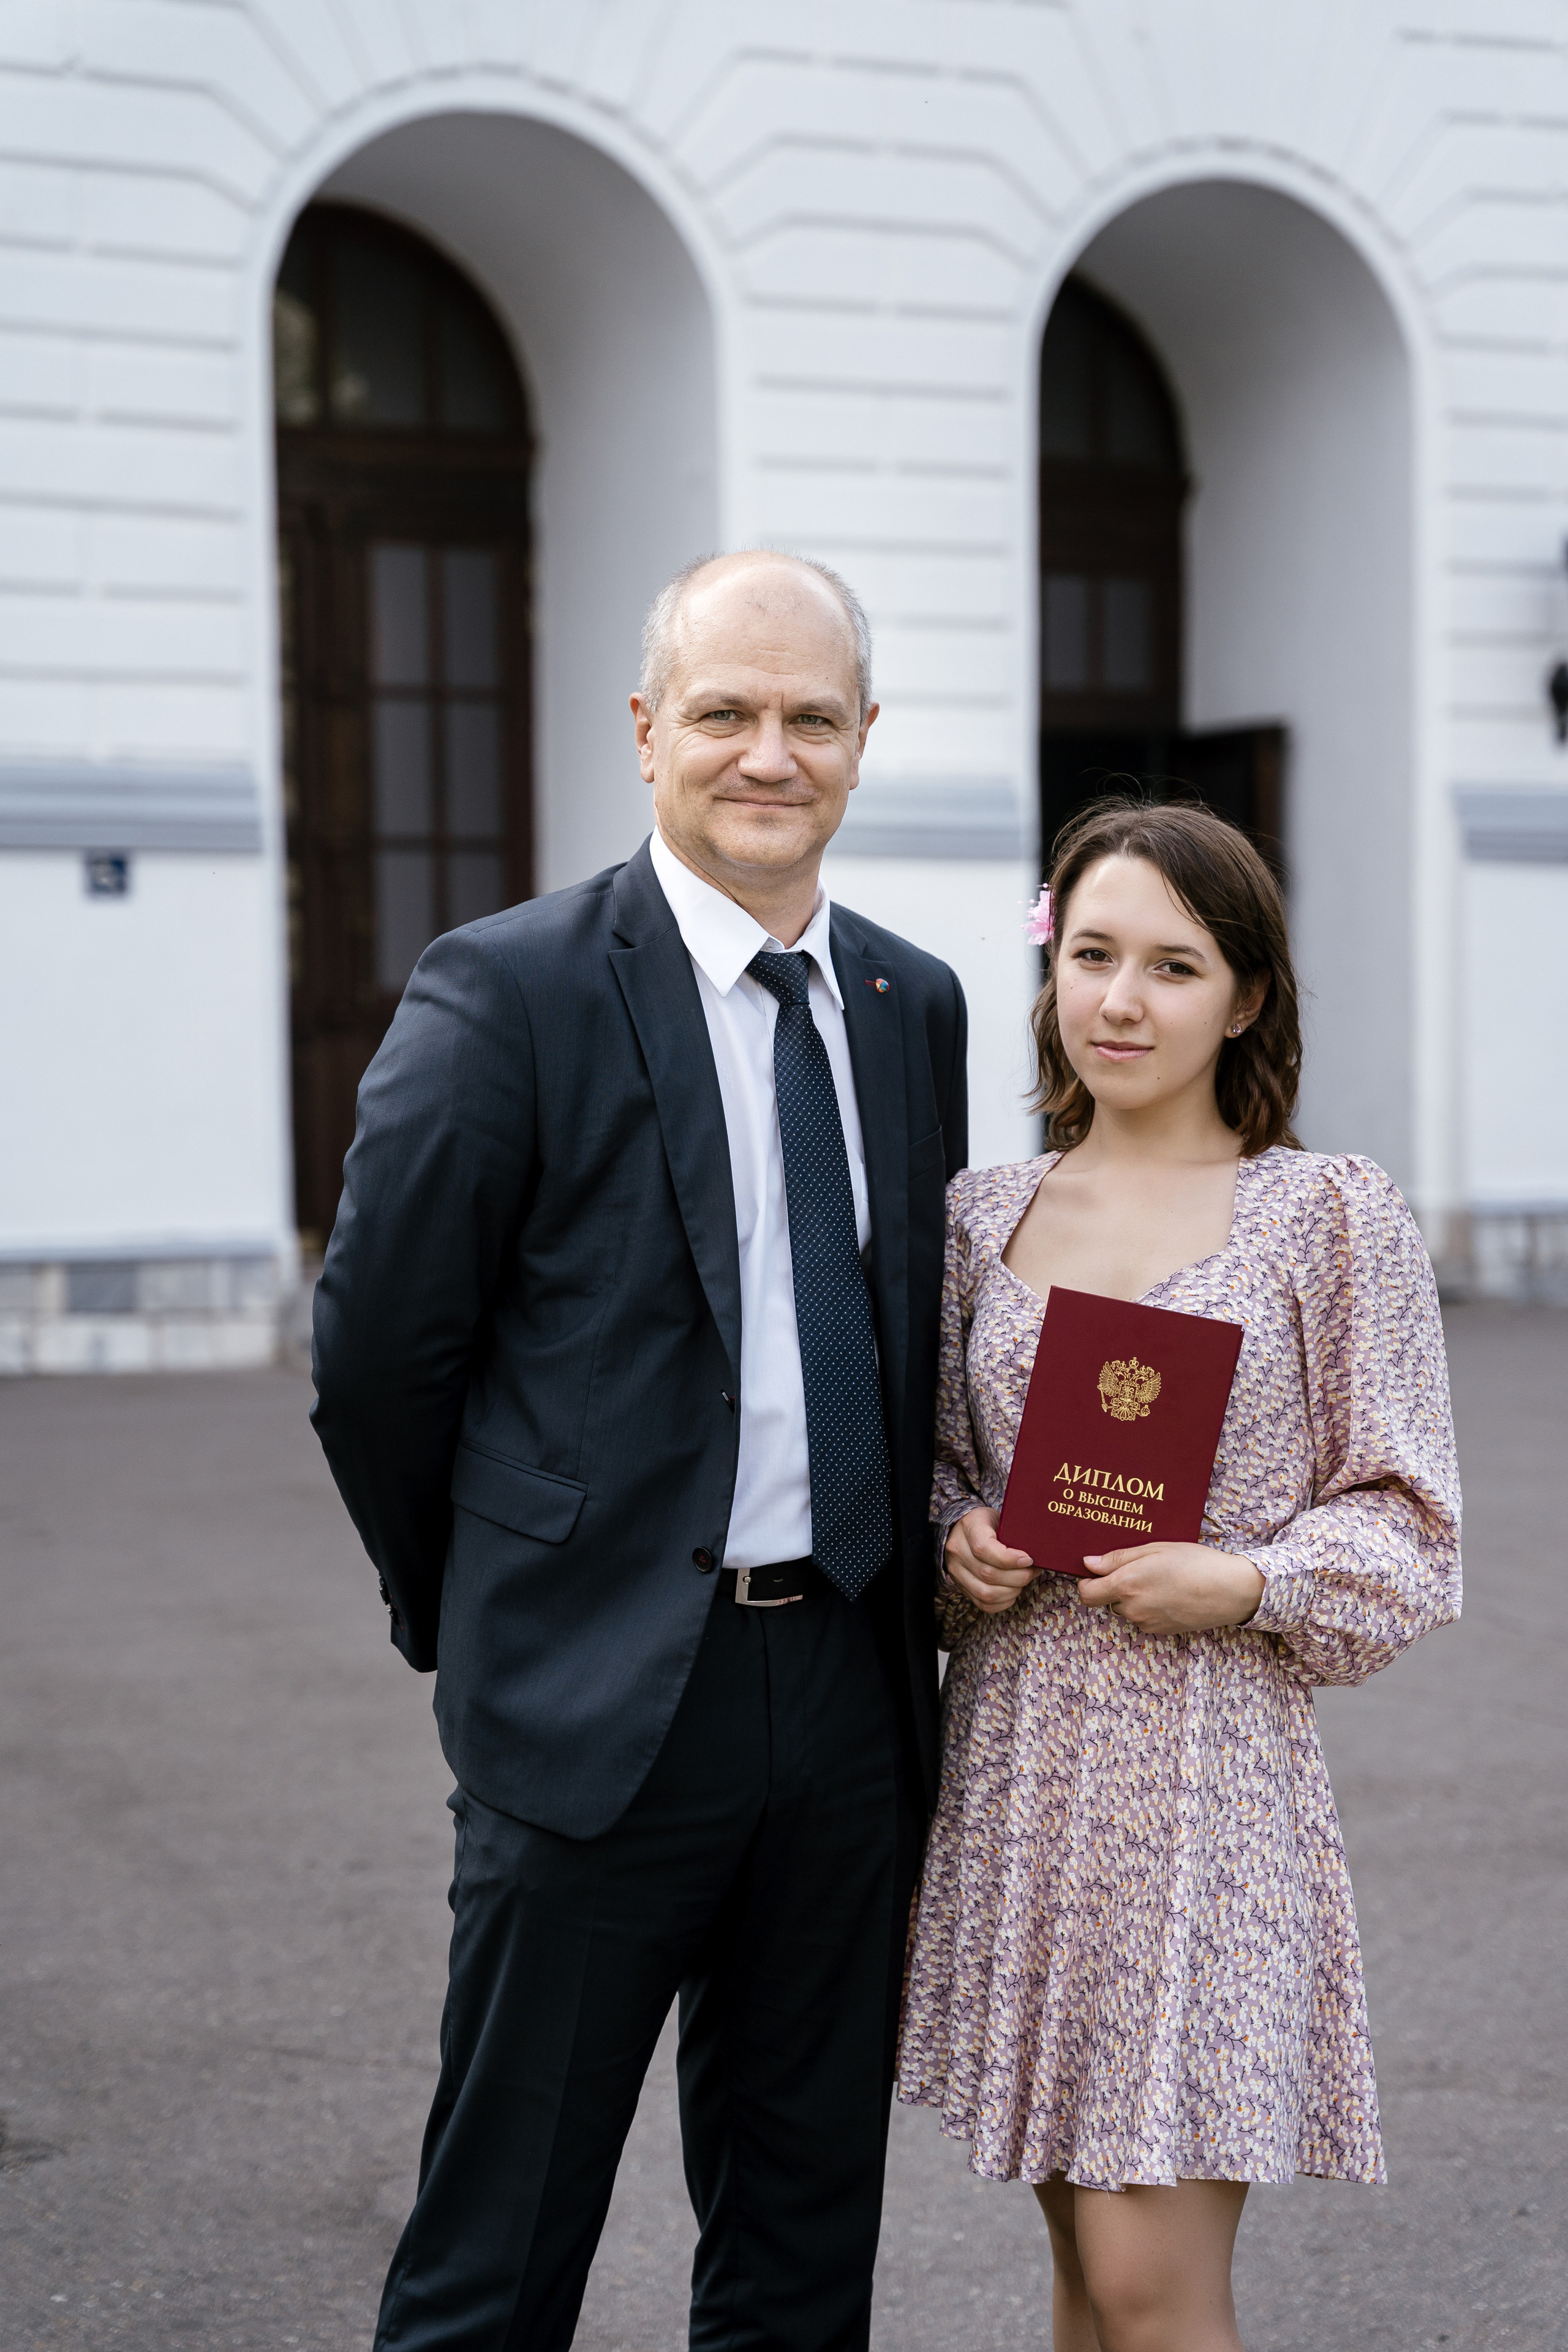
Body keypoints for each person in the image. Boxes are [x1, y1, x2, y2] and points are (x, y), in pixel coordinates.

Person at [311, 549, 968, 2351]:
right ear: (645, 730)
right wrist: (487, 1607)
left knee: (800, 2254)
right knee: (495, 2262)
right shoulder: (505, 988)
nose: (769, 753)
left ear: (864, 737)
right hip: (594, 1706)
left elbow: (911, 1331)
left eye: (810, 717)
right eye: (724, 712)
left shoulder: (913, 1004)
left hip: (847, 1704)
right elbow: (378, 1363)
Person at [896, 797, 1461, 2352]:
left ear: (1245, 996)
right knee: (1084, 2279)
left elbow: (1409, 1522)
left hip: (1208, 1790)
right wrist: (955, 1546)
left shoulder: (1326, 1216)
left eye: (1172, 965)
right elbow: (928, 1473)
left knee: (1150, 2286)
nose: (1121, 1001)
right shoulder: (979, 1217)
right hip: (1020, 1778)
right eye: (1091, 955)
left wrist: (1249, 1583)